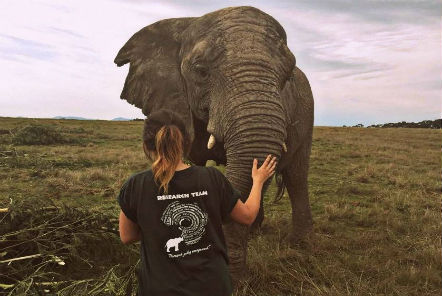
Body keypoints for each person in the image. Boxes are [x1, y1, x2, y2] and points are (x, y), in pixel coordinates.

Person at [117, 109, 277, 296]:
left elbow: (126, 236)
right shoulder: (212, 177)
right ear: (186, 143)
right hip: (212, 287)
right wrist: (258, 181)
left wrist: (157, 228)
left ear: (146, 145)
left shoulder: (136, 185)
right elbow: (248, 216)